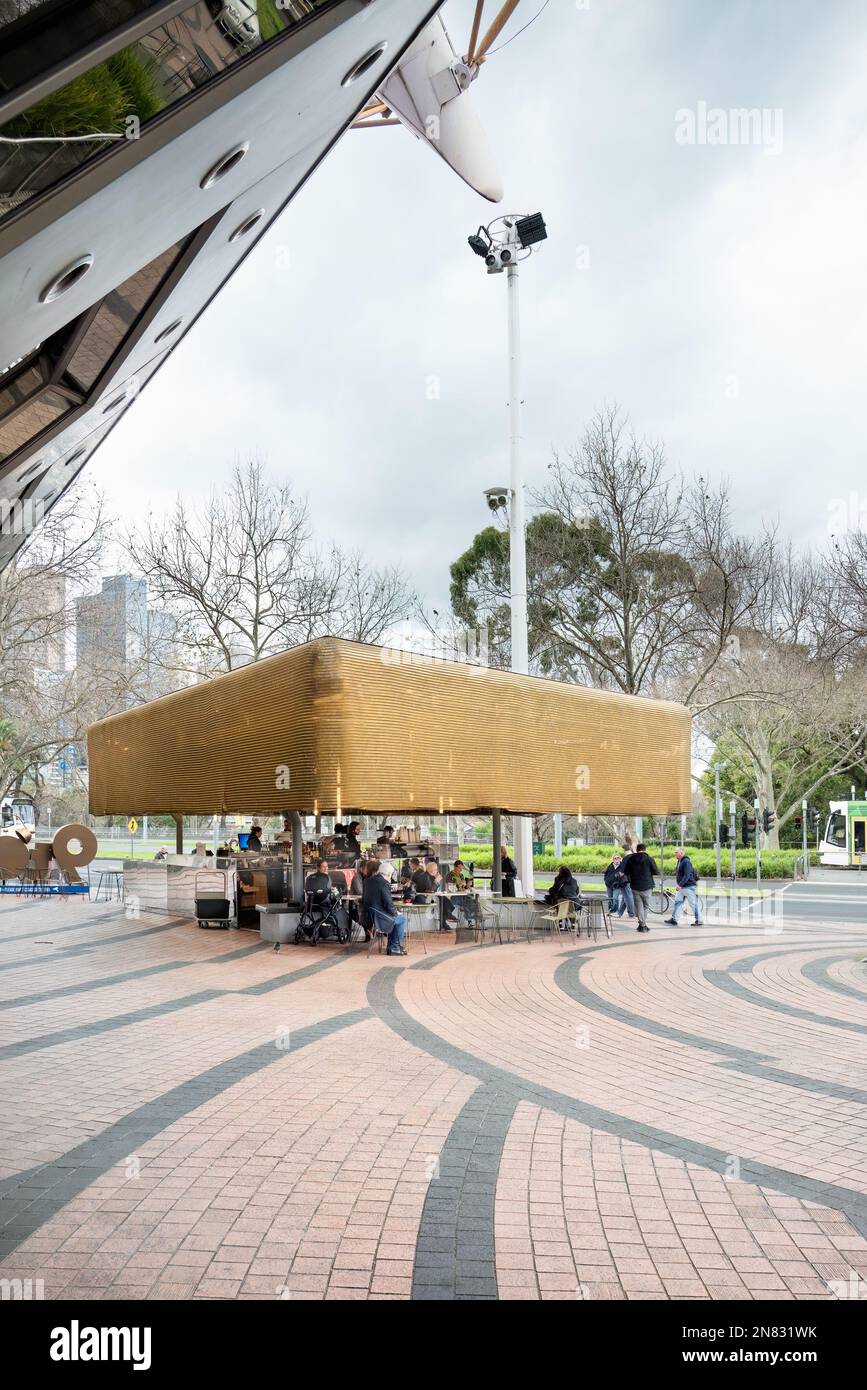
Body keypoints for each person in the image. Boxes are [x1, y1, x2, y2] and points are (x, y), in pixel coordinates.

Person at [361, 858, 406, 955]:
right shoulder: (384, 883)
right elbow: (388, 902)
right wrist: (395, 912)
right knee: (401, 919)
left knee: (395, 919)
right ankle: (395, 947)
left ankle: (392, 946)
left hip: (368, 914)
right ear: (389, 874)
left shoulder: (368, 880)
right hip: (378, 915)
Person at [620, 842, 659, 933]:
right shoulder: (649, 859)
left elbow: (626, 872)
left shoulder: (631, 859)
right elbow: (656, 871)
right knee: (646, 906)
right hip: (647, 886)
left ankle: (641, 925)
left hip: (635, 886)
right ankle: (643, 925)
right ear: (645, 849)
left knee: (639, 907)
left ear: (637, 850)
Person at [665, 848, 703, 926]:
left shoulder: (686, 862)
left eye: (676, 852)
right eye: (675, 852)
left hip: (688, 886)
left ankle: (699, 920)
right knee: (678, 902)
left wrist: (680, 885)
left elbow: (687, 875)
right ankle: (674, 919)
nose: (675, 854)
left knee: (693, 904)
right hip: (683, 887)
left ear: (681, 853)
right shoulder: (680, 861)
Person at [604, 851, 635, 919]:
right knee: (610, 899)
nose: (616, 859)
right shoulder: (610, 866)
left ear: (620, 859)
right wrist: (606, 881)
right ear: (613, 859)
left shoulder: (622, 866)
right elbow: (606, 874)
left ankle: (616, 911)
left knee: (615, 898)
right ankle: (612, 911)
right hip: (609, 885)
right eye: (615, 858)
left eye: (618, 858)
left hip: (618, 885)